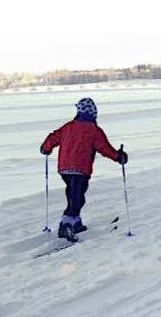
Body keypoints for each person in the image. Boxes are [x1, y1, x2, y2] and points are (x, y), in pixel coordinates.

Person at [40, 97, 128, 241]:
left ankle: (75, 223)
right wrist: (119, 157)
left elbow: (53, 137)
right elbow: (104, 148)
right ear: (93, 113)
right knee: (77, 197)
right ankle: (65, 225)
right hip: (80, 169)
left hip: (64, 168)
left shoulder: (68, 126)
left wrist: (45, 148)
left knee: (73, 194)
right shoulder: (94, 130)